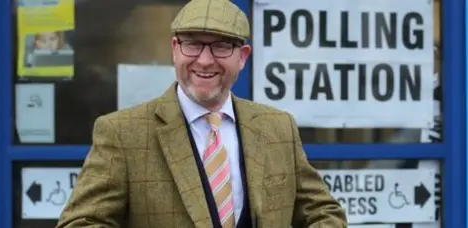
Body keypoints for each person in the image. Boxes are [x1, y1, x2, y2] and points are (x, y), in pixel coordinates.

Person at [55, 0, 347, 227]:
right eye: (193, 43)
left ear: (242, 56)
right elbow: (81, 223)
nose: (205, 61)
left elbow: (323, 212)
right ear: (174, 49)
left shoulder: (278, 127)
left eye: (221, 46)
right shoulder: (122, 133)